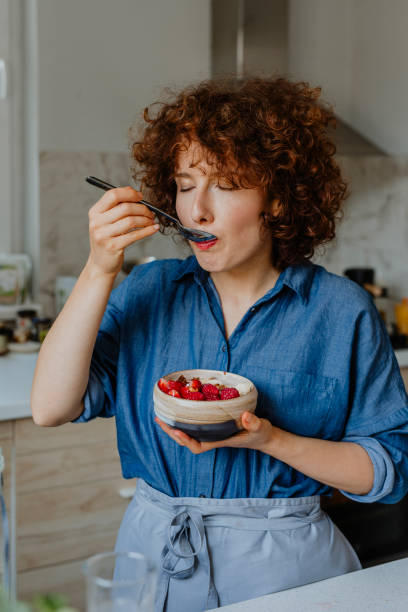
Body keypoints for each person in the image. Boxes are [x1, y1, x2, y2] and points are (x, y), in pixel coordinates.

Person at [31, 77, 408, 612]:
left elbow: (389, 470)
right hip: (156, 561)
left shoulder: (341, 311)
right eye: (186, 185)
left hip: (292, 573)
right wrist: (99, 269)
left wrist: (271, 440)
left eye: (225, 185)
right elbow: (49, 407)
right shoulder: (148, 290)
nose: (197, 211)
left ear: (276, 199)